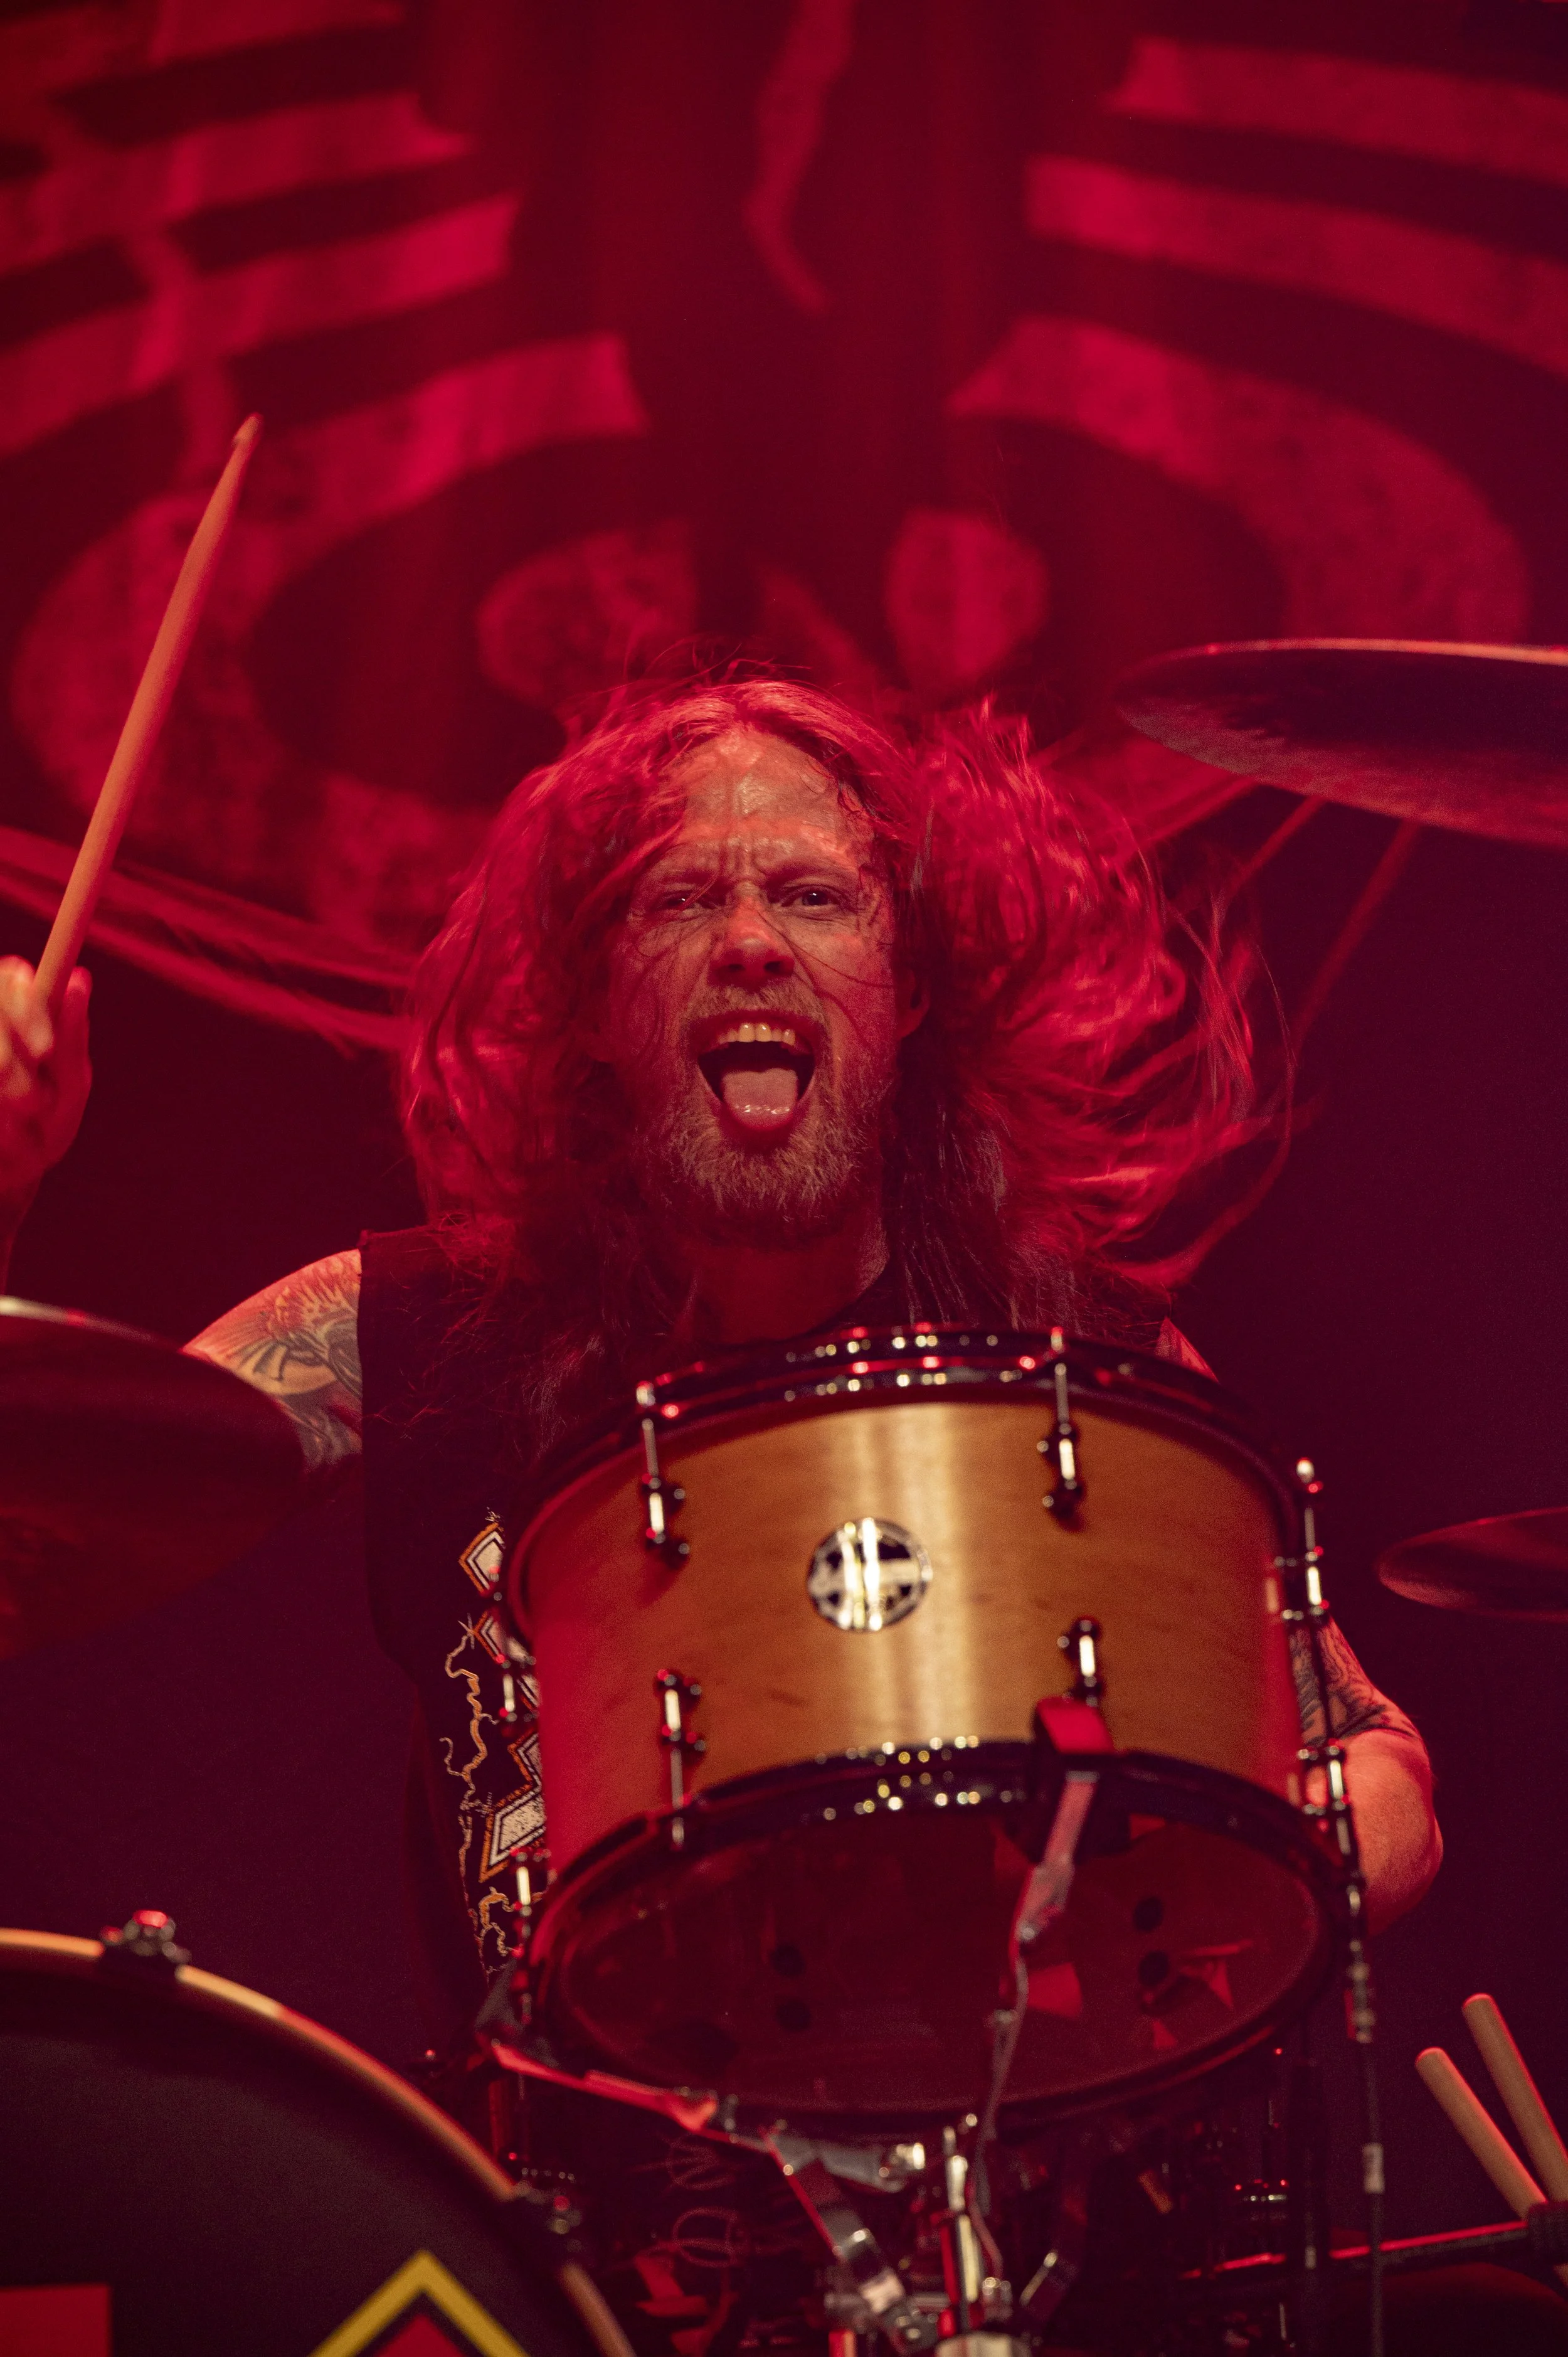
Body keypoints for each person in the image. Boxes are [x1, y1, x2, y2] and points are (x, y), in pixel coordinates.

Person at [0, 677, 1441, 2350]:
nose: (750, 942)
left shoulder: (1079, 1360)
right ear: (599, 1003)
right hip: (574, 2292)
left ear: (908, 989)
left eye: (815, 894)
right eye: (679, 898)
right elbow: (50, 1503)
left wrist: (1166, 1895)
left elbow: (1381, 1773)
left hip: (1048, 2286)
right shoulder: (408, 1337)